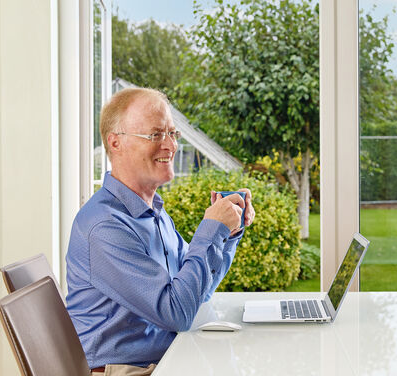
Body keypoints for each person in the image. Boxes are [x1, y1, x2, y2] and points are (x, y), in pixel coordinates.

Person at [65, 87, 255, 376]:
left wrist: (226, 235)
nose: (171, 145)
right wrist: (210, 230)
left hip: (166, 358)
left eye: (172, 134)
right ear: (115, 142)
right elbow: (176, 313)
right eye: (155, 135)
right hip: (131, 371)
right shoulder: (105, 226)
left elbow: (194, 294)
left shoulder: (153, 212)